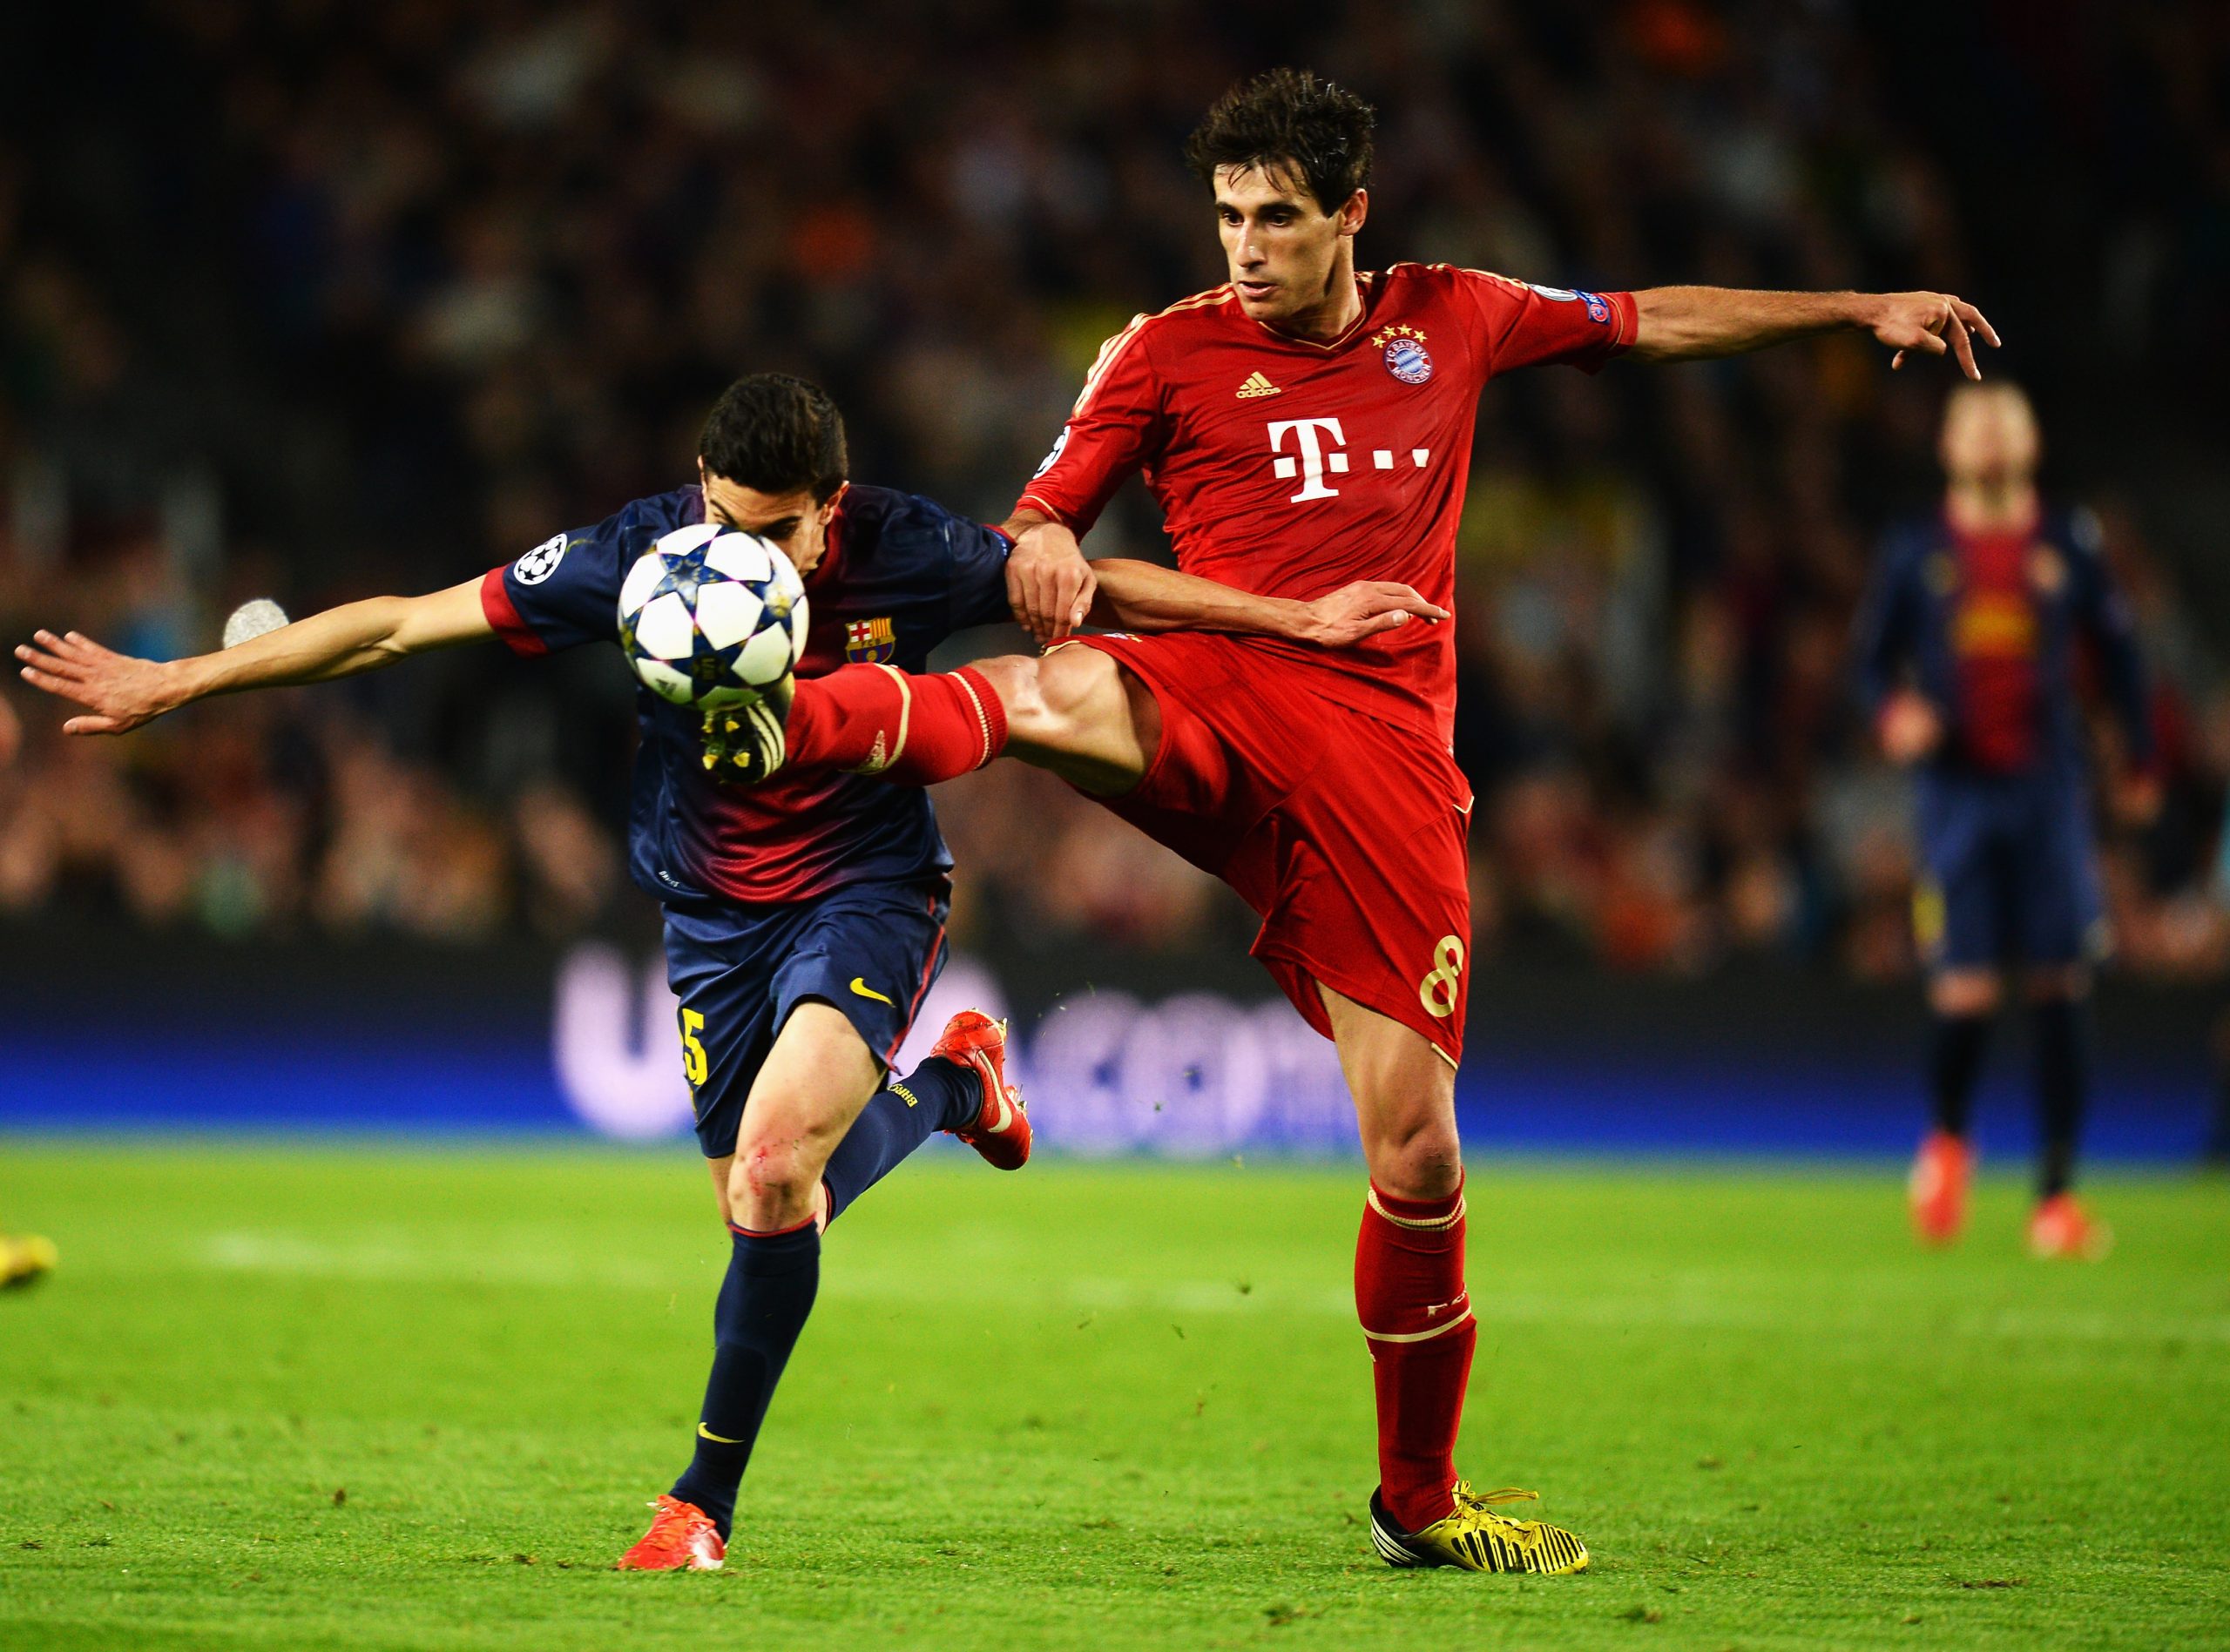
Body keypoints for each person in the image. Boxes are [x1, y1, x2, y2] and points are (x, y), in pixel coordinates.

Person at [694, 68, 2003, 1574]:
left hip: (1382, 755)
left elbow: (1646, 318)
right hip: (1218, 685)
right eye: (1229, 215)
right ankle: (783, 717)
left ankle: (1418, 1501)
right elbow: (1044, 513)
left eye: (1279, 218)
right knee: (1052, 690)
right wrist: (1052, 540)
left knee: (1420, 1151)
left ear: (1351, 216)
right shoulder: (1167, 351)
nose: (1247, 246)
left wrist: (1854, 309)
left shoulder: (1456, 313)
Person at [16, 373, 1433, 1568]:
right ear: (699, 489)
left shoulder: (908, 547)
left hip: (867, 891)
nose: (747, 554)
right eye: (726, 521)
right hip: (709, 918)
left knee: (771, 1173)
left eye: (781, 534)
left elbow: (1085, 579)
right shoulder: (640, 554)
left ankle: (701, 1503)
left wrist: (1296, 620)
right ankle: (954, 1087)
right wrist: (182, 679)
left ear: (836, 505)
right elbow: (402, 620)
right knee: (769, 1204)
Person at [1855, 381, 2151, 1259]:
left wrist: (2137, 756)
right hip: (1955, 796)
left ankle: (2055, 1197)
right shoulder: (1914, 549)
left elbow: (2122, 655)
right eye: (1973, 423)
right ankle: (1947, 1139)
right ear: (1948, 446)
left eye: (2003, 421)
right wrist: (1894, 716)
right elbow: (1868, 666)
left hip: (2047, 789)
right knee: (1966, 990)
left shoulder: (2068, 542)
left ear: (2029, 441)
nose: (1988, 437)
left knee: (2062, 981)